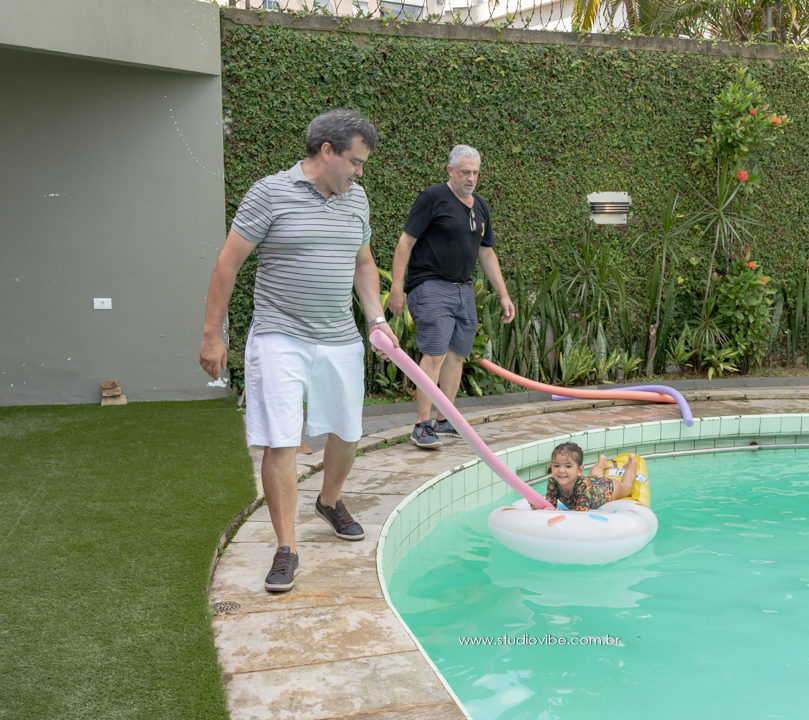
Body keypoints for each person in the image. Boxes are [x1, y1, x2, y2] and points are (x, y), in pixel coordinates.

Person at [198, 109, 398, 593]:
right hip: (279, 335)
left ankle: (329, 501)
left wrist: (376, 319)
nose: (360, 172)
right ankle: (286, 547)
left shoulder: (357, 200)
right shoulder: (269, 193)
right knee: (281, 439)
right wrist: (212, 334)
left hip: (339, 337)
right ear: (327, 151)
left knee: (347, 432)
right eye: (355, 161)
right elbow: (227, 263)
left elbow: (364, 263)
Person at [387, 145, 514, 450]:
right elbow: (405, 242)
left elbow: (486, 253)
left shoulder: (480, 206)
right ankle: (422, 425)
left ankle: (446, 420)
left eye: (475, 173)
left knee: (457, 355)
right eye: (465, 172)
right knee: (434, 354)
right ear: (450, 170)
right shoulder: (433, 197)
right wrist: (396, 286)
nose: (471, 178)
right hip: (430, 285)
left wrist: (504, 294)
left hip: (463, 289)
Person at [539, 442, 639, 511]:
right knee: (594, 476)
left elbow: (580, 514)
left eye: (568, 466)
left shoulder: (584, 486)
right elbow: (550, 506)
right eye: (556, 466)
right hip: (592, 482)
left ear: (580, 470)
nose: (561, 470)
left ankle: (632, 462)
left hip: (607, 489)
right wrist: (541, 507)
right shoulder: (553, 481)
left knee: (627, 486)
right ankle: (602, 462)